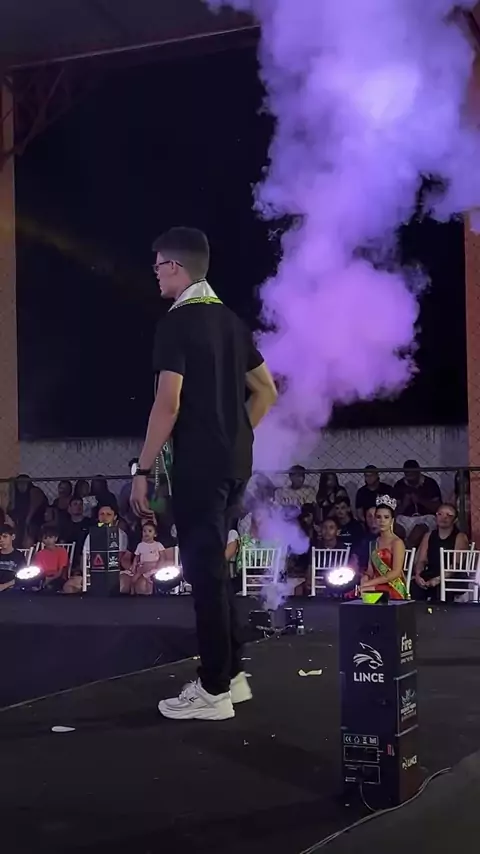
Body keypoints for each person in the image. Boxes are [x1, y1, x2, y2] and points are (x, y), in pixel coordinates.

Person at [131, 226, 277, 721]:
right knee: (218, 570)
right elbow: (266, 392)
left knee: (205, 573)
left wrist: (142, 468)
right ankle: (231, 675)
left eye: (158, 266)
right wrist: (234, 434)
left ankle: (213, 689)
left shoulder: (177, 323)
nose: (155, 274)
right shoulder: (232, 322)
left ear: (175, 266)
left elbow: (167, 403)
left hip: (199, 467)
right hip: (236, 463)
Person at [410, 503, 469, 601]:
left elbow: (456, 565)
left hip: (452, 576)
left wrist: (439, 579)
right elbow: (421, 560)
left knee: (441, 588)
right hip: (432, 572)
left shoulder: (460, 537)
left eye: (449, 515)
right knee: (415, 586)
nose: (444, 518)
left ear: (455, 520)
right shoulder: (428, 535)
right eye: (440, 514)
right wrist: (418, 575)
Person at [360, 496, 408, 600]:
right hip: (376, 585)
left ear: (392, 520)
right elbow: (370, 571)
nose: (382, 521)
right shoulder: (373, 543)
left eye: (386, 517)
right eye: (378, 517)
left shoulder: (397, 542)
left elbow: (395, 573)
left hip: (394, 588)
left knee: (364, 593)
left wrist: (370, 583)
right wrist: (365, 578)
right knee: (354, 594)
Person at [393, 460, 442, 548]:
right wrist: (405, 504)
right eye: (408, 475)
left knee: (419, 529)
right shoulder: (399, 485)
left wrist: (420, 500)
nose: (410, 478)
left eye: (413, 475)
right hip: (406, 518)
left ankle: (406, 550)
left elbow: (438, 508)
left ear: (418, 472)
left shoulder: (430, 483)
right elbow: (394, 512)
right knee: (395, 529)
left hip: (426, 517)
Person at [121, 521, 165, 595]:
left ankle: (151, 595)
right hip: (141, 567)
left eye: (150, 531)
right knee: (134, 579)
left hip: (153, 568)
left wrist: (158, 567)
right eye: (144, 531)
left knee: (150, 582)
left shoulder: (158, 545)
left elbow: (162, 557)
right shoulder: (140, 545)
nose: (146, 533)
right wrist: (134, 566)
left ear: (155, 534)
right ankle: (132, 592)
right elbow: (136, 557)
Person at [8, 474, 47, 548]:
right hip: (21, 521)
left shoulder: (34, 491)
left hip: (34, 521)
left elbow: (33, 507)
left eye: (23, 482)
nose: (21, 485)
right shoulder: (17, 494)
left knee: (29, 536)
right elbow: (11, 507)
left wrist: (27, 520)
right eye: (19, 483)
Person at [34, 526, 70, 591]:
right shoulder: (39, 554)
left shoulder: (62, 551)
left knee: (50, 587)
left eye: (50, 537)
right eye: (45, 538)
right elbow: (39, 571)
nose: (48, 540)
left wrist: (49, 579)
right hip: (44, 577)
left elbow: (61, 571)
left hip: (58, 577)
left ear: (56, 538)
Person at [0, 525, 26, 592]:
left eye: (5, 536)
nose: (1, 540)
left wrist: (4, 586)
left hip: (12, 590)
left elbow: (22, 575)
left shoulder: (19, 556)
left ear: (13, 537)